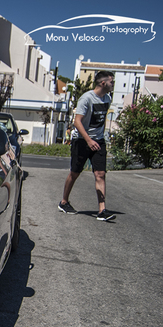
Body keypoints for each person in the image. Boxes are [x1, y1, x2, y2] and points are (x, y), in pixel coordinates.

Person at [58, 71, 116, 221]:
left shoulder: (107, 98)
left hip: (99, 140)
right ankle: (64, 202)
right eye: (111, 81)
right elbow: (77, 122)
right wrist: (89, 140)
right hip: (82, 140)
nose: (113, 84)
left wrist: (100, 137)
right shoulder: (86, 98)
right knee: (75, 173)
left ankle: (102, 210)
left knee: (100, 173)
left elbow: (101, 121)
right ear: (103, 83)